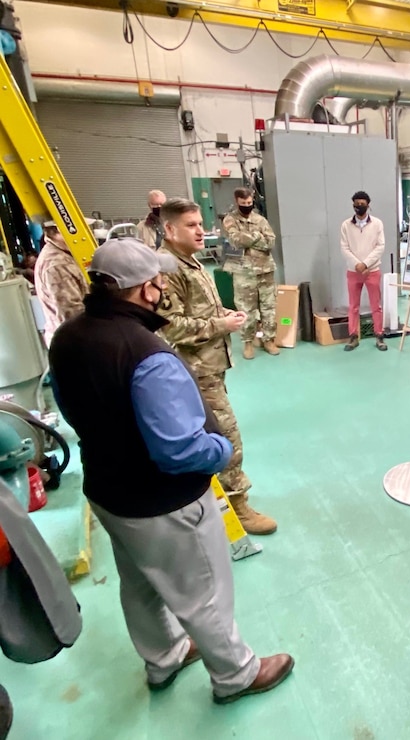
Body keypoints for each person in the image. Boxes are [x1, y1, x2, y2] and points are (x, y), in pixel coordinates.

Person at [47, 238, 293, 703]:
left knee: (140, 583)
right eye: (157, 282)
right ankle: (236, 674)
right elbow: (179, 450)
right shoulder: (145, 352)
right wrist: (220, 451)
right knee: (205, 593)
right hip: (165, 502)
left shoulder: (68, 336)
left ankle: (164, 657)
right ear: (146, 289)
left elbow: (67, 407)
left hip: (108, 491)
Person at [157, 198, 276, 536]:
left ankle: (212, 501)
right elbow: (171, 327)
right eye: (191, 225)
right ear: (169, 229)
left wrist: (223, 314)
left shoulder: (188, 262)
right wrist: (220, 327)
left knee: (211, 434)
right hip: (193, 371)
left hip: (208, 367)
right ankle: (238, 507)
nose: (200, 230)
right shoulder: (168, 269)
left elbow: (200, 308)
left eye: (200, 223)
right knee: (226, 436)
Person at [222, 187, 280, 360]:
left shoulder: (260, 219)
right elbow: (235, 240)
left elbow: (271, 242)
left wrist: (249, 238)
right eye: (243, 203)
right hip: (243, 272)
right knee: (246, 309)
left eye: (249, 203)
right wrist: (257, 236)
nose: (247, 205)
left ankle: (269, 340)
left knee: (269, 307)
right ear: (237, 201)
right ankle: (248, 342)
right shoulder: (230, 220)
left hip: (265, 271)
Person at [340, 190, 387, 352]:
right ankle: (353, 336)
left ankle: (379, 336)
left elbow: (380, 246)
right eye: (356, 204)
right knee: (353, 305)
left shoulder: (377, 224)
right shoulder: (346, 225)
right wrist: (357, 265)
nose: (359, 207)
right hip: (353, 272)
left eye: (362, 204)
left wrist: (366, 264)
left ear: (368, 205)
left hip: (372, 271)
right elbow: (344, 247)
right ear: (353, 205)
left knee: (376, 305)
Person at [33, 220, 89, 347]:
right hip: (75, 346)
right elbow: (72, 314)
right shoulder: (58, 264)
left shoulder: (64, 254)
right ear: (58, 232)